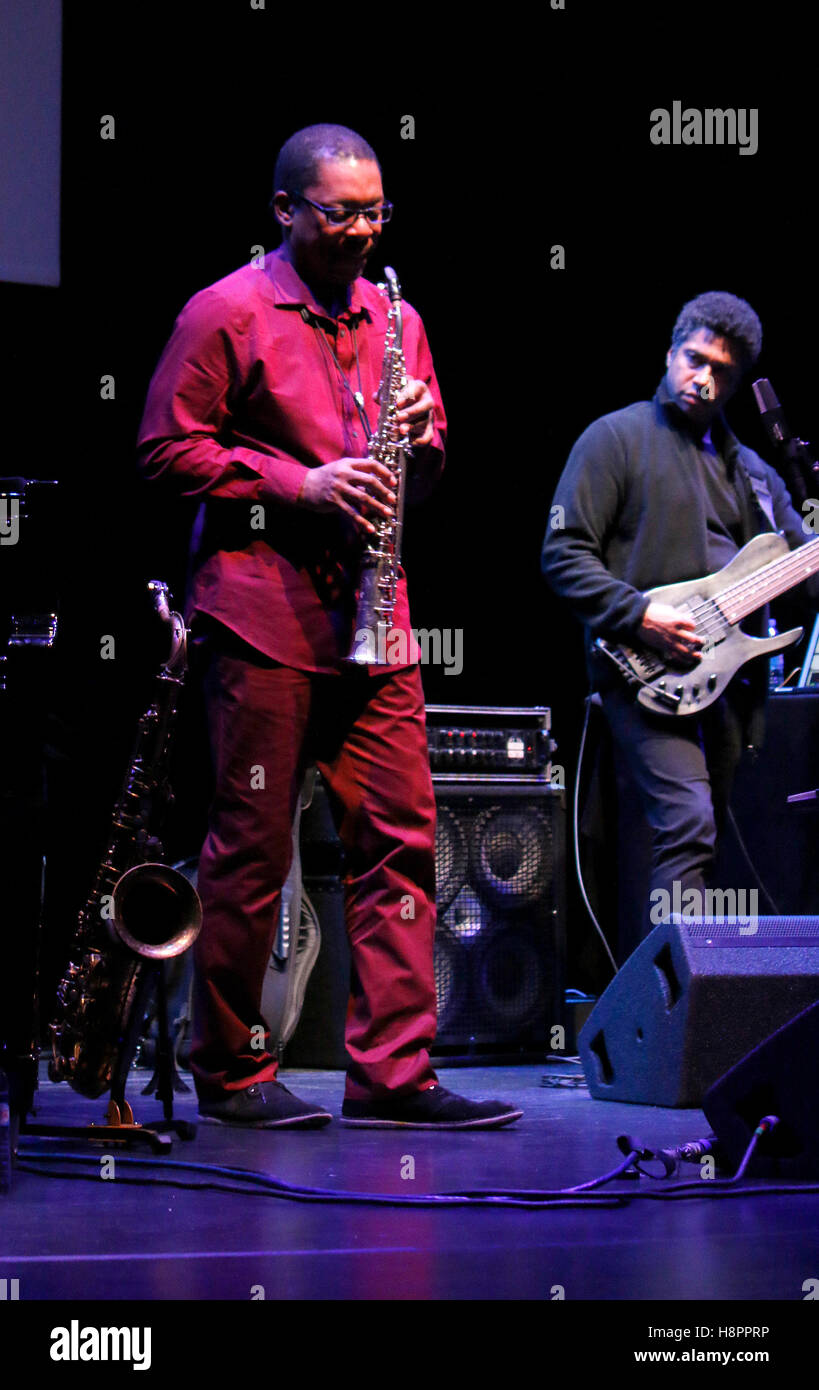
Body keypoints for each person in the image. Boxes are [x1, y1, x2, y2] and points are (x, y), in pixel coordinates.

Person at [137, 123, 521, 1130]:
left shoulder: (399, 315)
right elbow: (163, 452)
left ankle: (394, 1075)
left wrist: (425, 447)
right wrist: (294, 483)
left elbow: (422, 475)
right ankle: (231, 1069)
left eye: (376, 210)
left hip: (374, 619)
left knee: (402, 839)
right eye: (341, 211)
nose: (362, 229)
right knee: (252, 848)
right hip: (263, 616)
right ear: (285, 210)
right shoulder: (226, 311)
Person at [541, 290, 818, 948]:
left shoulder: (752, 472)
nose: (703, 378)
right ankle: (682, 1014)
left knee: (697, 840)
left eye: (721, 371)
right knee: (686, 821)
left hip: (727, 689)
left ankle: (669, 1005)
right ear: (669, 353)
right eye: (694, 359)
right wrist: (639, 616)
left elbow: (801, 575)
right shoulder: (615, 438)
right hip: (641, 672)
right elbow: (562, 552)